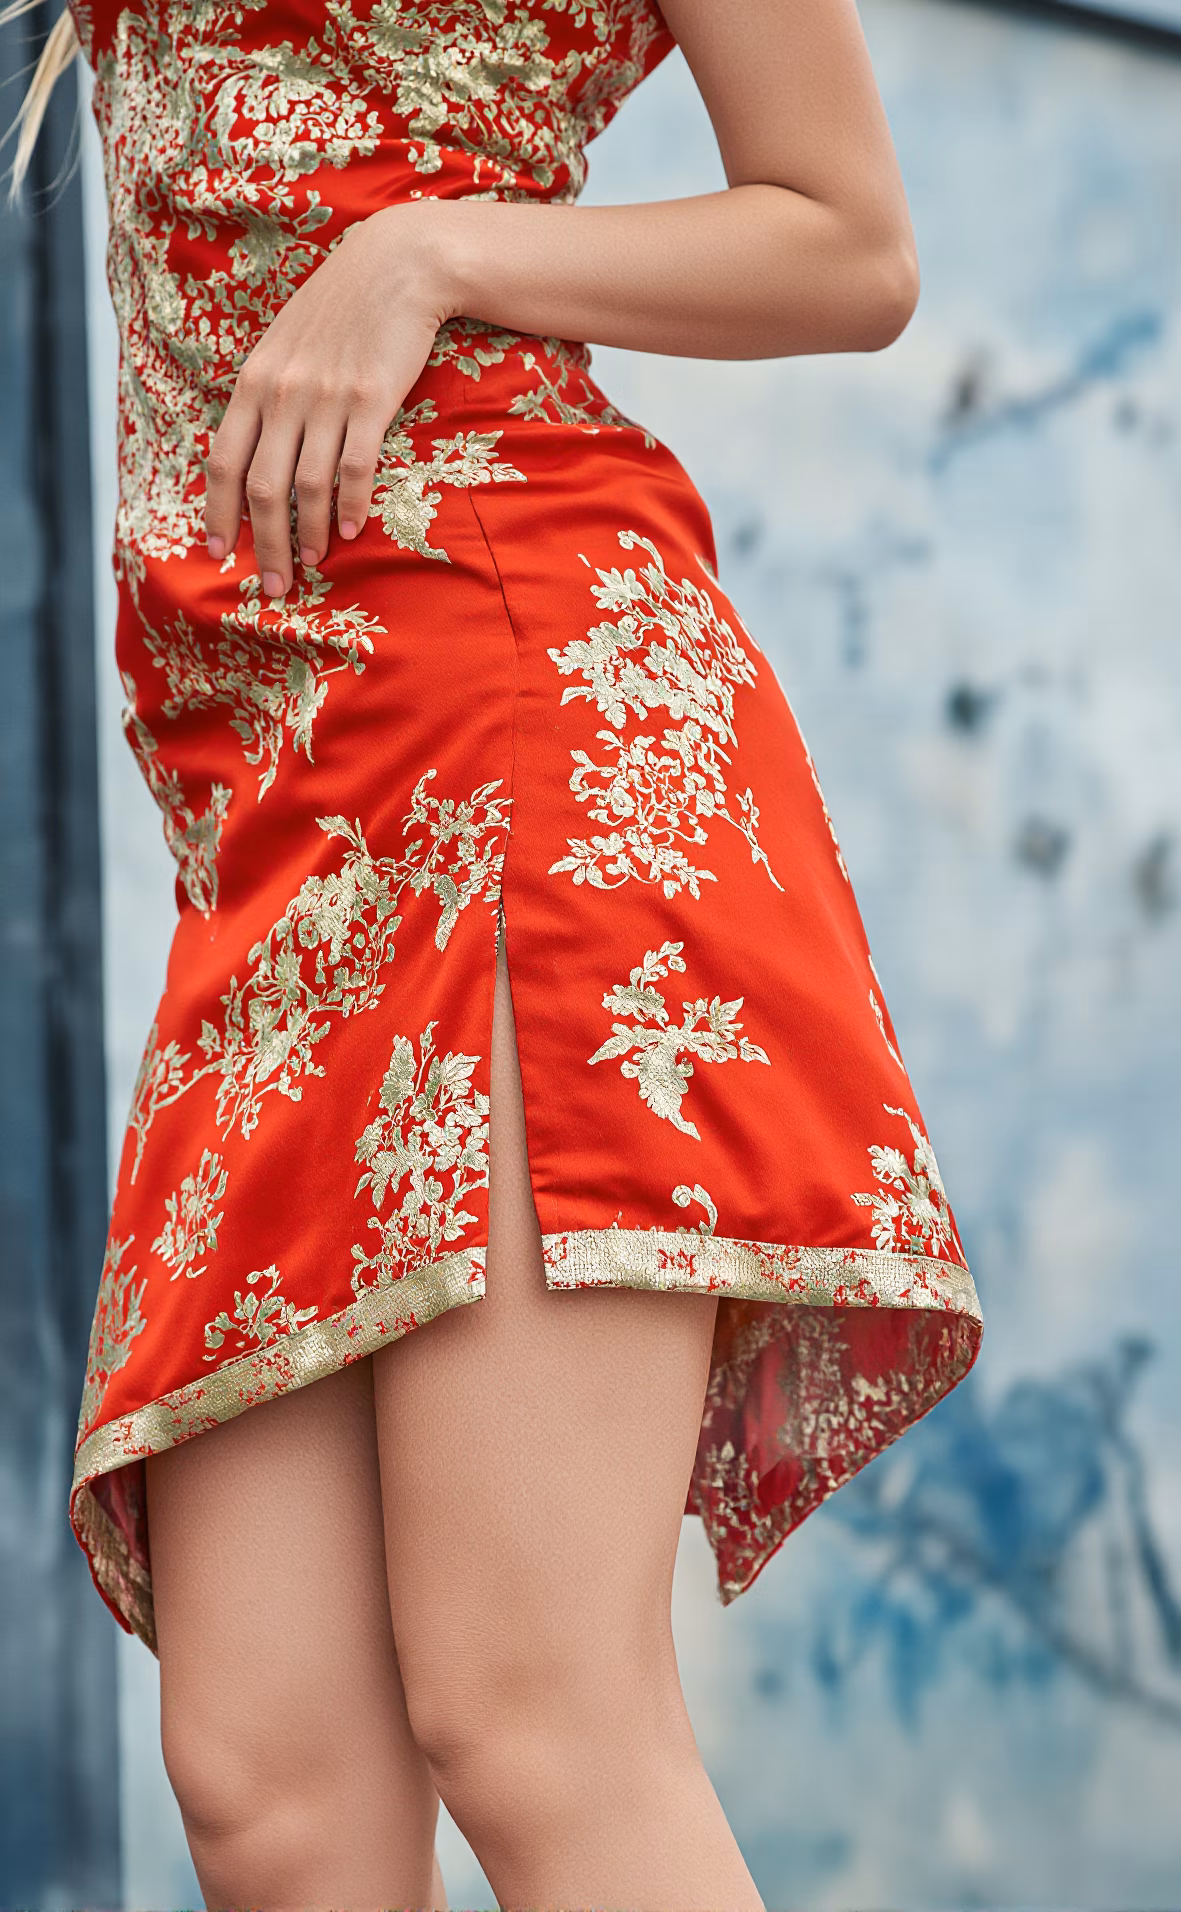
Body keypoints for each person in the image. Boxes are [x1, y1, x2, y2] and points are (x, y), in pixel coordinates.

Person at [8, 0, 983, 1904]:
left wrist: (431, 253)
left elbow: (849, 236)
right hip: (271, 817)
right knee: (267, 1780)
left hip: (512, 716)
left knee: (529, 1706)